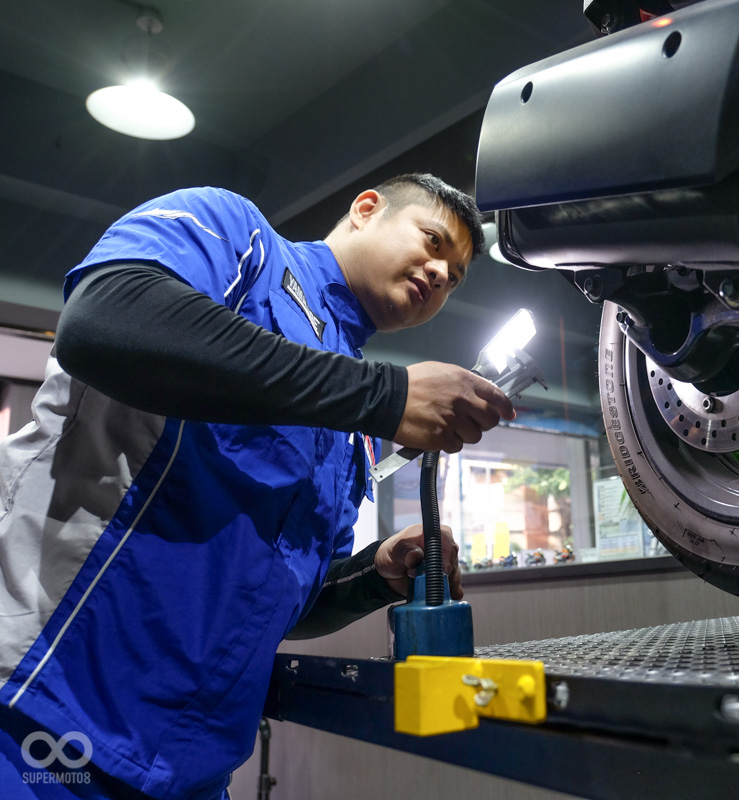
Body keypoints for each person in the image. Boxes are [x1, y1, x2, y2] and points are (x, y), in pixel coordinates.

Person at [0, 174, 515, 799]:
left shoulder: (355, 431)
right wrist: (383, 394)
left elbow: (278, 604)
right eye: (433, 242)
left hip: (190, 770)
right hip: (41, 715)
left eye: (455, 276)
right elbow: (105, 318)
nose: (440, 273)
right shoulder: (241, 238)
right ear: (366, 210)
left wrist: (375, 577)